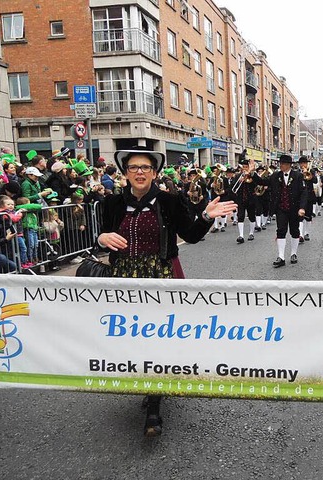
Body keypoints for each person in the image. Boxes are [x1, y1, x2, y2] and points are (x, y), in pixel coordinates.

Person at [96, 146, 235, 437]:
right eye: (133, 167)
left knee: (156, 339)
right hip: (125, 279)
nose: (140, 172)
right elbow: (102, 239)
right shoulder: (110, 204)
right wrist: (101, 237)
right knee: (133, 338)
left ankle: (155, 407)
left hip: (160, 278)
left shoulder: (169, 201)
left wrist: (206, 217)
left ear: (155, 173)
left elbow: (192, 236)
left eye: (145, 167)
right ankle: (149, 382)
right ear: (125, 173)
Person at [268, 154, 307, 267]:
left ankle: (293, 254)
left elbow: (304, 193)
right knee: (281, 230)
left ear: (289, 165)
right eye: (280, 163)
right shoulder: (275, 176)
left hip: (294, 209)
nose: (281, 165)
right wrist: (252, 174)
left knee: (294, 231)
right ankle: (281, 257)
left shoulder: (298, 176)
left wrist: (302, 208)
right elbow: (263, 182)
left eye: (283, 164)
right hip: (281, 208)